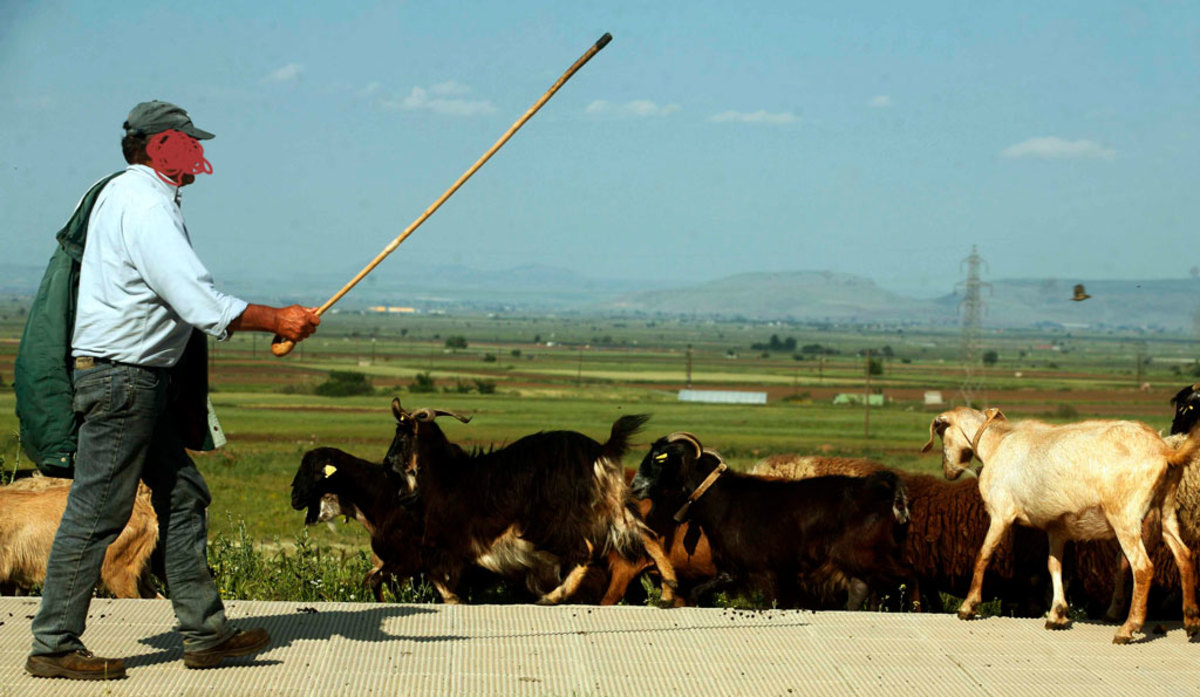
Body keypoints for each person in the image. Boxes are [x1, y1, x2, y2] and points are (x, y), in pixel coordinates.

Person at [24, 100, 320, 681]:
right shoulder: (144, 204)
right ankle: (53, 644)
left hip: (134, 382)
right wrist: (278, 320)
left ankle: (204, 633)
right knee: (97, 511)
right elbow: (196, 300)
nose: (198, 154)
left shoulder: (125, 196)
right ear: (159, 147)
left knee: (182, 495)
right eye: (188, 144)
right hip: (124, 382)